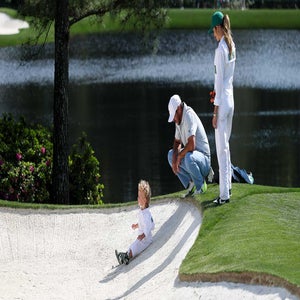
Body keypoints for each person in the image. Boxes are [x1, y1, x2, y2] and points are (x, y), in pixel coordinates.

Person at [208, 11, 236, 205]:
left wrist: (215, 112)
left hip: (223, 104)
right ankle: (229, 186)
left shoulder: (220, 50)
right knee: (226, 145)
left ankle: (224, 194)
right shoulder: (232, 45)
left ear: (218, 28)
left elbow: (218, 82)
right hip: (231, 100)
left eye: (213, 31)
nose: (213, 34)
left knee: (221, 149)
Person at [167, 94, 211, 198]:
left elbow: (192, 145)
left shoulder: (189, 115)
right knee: (170, 155)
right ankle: (191, 185)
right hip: (193, 158)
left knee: (187, 157)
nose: (173, 119)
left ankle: (201, 186)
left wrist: (179, 157)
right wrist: (174, 159)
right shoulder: (178, 120)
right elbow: (177, 142)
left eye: (173, 115)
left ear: (178, 109)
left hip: (204, 161)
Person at [115, 179, 154, 265]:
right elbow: (142, 223)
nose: (138, 198)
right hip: (142, 238)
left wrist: (143, 235)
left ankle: (127, 257)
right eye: (138, 196)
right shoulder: (142, 211)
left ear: (145, 200)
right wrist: (137, 225)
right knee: (133, 246)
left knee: (135, 246)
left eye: (140, 197)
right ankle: (125, 255)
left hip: (145, 239)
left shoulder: (146, 214)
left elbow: (149, 226)